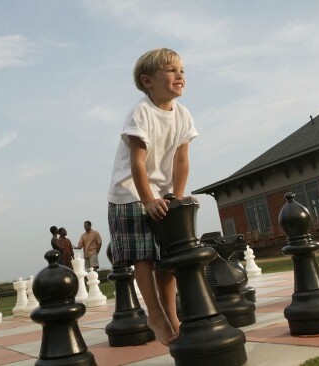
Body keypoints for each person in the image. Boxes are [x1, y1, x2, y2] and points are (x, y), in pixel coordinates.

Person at [107, 48, 198, 346]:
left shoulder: (183, 115)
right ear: (148, 81)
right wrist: (147, 200)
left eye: (181, 69)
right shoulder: (141, 112)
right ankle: (155, 314)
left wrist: (178, 198)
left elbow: (182, 160)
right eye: (171, 70)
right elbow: (137, 162)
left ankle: (172, 315)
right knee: (144, 256)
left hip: (161, 194)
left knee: (168, 259)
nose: (180, 74)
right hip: (130, 193)